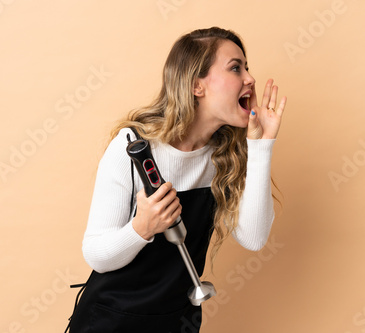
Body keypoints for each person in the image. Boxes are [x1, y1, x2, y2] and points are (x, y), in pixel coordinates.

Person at [67, 26, 287, 332]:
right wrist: (141, 228)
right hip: (110, 320)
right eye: (236, 68)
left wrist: (261, 145)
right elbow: (96, 255)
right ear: (197, 85)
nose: (250, 78)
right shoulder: (132, 147)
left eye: (247, 68)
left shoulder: (224, 156)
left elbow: (253, 238)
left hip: (175, 321)